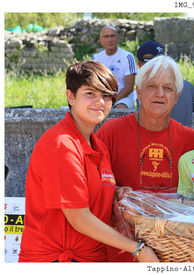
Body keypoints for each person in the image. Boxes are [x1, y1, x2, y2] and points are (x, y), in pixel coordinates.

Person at [19, 61, 158, 262]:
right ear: (71, 97)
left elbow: (89, 196)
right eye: (90, 94)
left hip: (91, 257)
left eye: (106, 95)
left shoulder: (97, 145)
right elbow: (79, 218)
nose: (100, 101)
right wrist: (138, 249)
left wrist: (114, 194)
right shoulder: (62, 145)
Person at [96, 55, 194, 261]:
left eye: (168, 88)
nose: (160, 94)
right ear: (138, 92)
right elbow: (91, 185)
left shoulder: (193, 141)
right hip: (122, 249)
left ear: (177, 96)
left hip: (175, 251)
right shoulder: (111, 132)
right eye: (152, 86)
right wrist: (113, 191)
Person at [136, 40, 194, 127]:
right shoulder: (187, 86)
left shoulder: (144, 90)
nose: (160, 94)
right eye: (151, 62)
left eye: (168, 88)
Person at [93, 25, 137, 109]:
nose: (110, 39)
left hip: (123, 98)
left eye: (112, 36)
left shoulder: (127, 57)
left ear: (118, 38)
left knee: (120, 109)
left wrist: (112, 102)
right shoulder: (96, 58)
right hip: (102, 98)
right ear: (100, 40)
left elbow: (129, 87)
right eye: (106, 36)